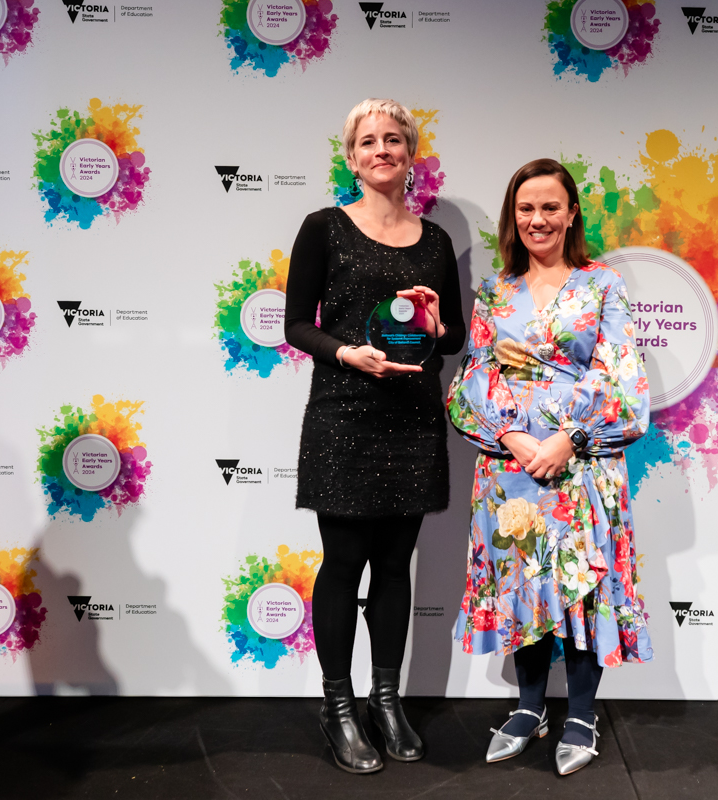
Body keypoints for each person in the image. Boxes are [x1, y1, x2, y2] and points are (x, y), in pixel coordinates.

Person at [446, 158, 652, 775]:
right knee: (522, 582)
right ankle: (530, 706)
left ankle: (583, 713)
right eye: (526, 208)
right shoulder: (495, 291)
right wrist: (510, 435)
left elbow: (621, 373)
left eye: (550, 207)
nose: (538, 219)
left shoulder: (602, 286)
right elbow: (472, 378)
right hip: (509, 466)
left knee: (581, 589)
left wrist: (570, 438)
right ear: (515, 217)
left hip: (581, 465)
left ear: (571, 215)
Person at [283, 98, 466, 774]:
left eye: (394, 139)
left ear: (410, 154)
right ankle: (339, 710)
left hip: (413, 421)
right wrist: (345, 354)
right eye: (368, 141)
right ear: (351, 157)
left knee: (395, 567)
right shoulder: (324, 228)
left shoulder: (437, 242)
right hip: (345, 417)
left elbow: (455, 338)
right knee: (345, 563)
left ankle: (386, 701)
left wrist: (438, 328)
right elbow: (297, 324)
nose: (382, 149)